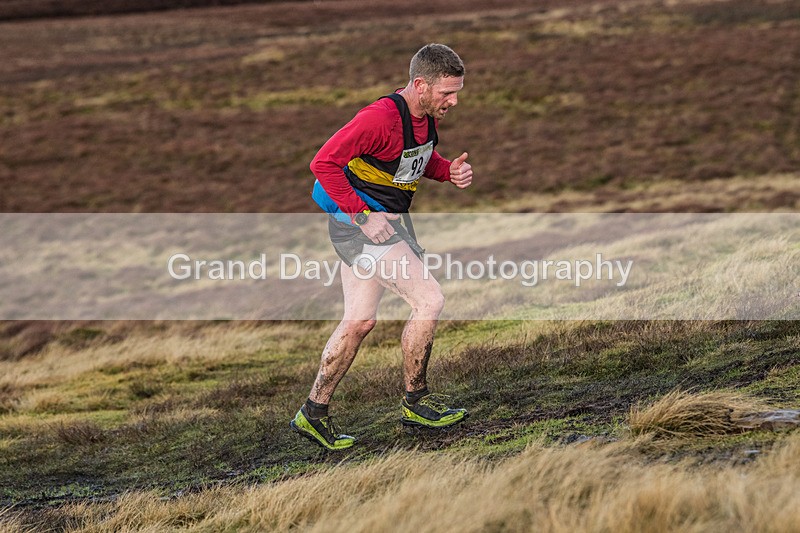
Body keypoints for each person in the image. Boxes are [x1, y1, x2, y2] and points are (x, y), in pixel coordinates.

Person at [290, 43, 473, 450]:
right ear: (420, 84)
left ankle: (312, 413)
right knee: (429, 300)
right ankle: (416, 403)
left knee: (359, 321)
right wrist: (361, 215)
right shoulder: (379, 118)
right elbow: (323, 163)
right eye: (447, 92)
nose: (454, 101)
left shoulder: (422, 118)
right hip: (362, 228)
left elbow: (413, 160)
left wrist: (448, 171)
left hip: (381, 226)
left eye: (457, 91)